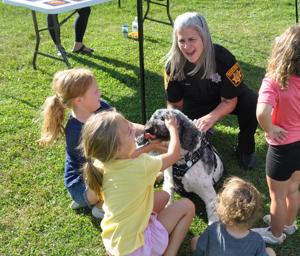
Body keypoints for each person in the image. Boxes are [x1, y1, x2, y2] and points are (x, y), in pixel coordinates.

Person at [80, 110, 195, 256]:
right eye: (129, 131)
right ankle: (170, 253)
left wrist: (150, 147)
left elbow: (130, 156)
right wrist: (173, 128)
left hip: (114, 243)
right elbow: (174, 155)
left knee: (163, 196)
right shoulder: (141, 166)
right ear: (117, 148)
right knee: (187, 206)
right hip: (137, 249)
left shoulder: (101, 163)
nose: (133, 129)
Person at [39, 68, 145, 219]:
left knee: (134, 161)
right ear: (79, 100)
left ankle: (94, 201)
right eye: (95, 91)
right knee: (126, 171)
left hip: (101, 172)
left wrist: (150, 130)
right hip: (83, 184)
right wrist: (146, 149)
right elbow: (110, 161)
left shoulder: (102, 106)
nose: (99, 93)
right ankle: (100, 207)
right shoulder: (75, 132)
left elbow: (128, 126)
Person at [164, 12, 258, 170]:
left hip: (224, 98)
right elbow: (175, 104)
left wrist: (211, 118)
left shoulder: (224, 58)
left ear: (204, 37)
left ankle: (245, 148)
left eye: (192, 39)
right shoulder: (172, 66)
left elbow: (230, 100)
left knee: (251, 100)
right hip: (194, 103)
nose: (187, 47)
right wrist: (178, 125)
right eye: (182, 41)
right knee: (190, 139)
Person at [252, 24, 300, 244]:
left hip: (283, 148)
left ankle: (275, 233)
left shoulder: (274, 80)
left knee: (277, 196)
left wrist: (270, 128)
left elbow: (262, 112)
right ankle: (289, 225)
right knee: (292, 189)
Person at [191, 177, 276, 256]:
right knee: (270, 251)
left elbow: (200, 250)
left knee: (195, 240)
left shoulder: (213, 229)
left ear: (222, 210)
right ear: (254, 216)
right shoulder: (257, 241)